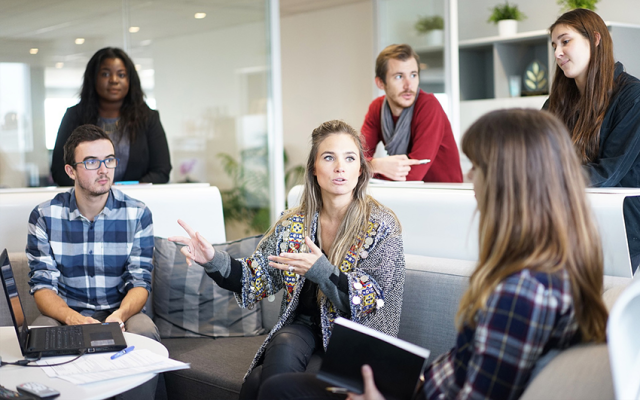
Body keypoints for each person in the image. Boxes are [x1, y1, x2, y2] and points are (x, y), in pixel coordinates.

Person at [257, 109, 609, 400]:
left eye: (478, 167)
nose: (470, 177)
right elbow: (472, 367)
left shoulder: (522, 292)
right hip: (422, 387)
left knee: (279, 391)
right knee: (276, 384)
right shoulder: (548, 269)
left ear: (509, 181)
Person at [169, 120, 406, 399]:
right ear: (314, 170)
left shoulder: (381, 224)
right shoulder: (294, 223)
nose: (340, 167)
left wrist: (321, 271)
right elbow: (253, 278)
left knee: (259, 382)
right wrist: (211, 259)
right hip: (303, 329)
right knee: (282, 343)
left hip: (355, 339)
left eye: (350, 158)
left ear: (360, 170)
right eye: (329, 157)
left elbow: (369, 299)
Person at [27, 124, 159, 342]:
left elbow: (140, 282)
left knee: (144, 331)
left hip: (121, 312)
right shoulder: (44, 216)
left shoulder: (138, 214)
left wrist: (119, 316)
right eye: (91, 162)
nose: (103, 170)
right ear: (71, 171)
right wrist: (73, 318)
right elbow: (42, 286)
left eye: (109, 160)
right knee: (39, 333)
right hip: (66, 313)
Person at [545, 8, 640, 274]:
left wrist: (543, 176)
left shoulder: (633, 96)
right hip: (568, 222)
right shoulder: (556, 103)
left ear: (595, 39)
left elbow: (608, 173)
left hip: (621, 229)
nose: (557, 53)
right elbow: (534, 155)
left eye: (565, 41)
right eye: (554, 45)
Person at [51, 47, 171, 186]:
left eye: (121, 75)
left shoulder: (148, 118)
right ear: (93, 78)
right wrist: (97, 189)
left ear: (130, 80)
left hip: (136, 202)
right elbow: (60, 172)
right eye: (105, 74)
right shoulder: (74, 117)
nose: (114, 80)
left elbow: (161, 171)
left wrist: (126, 191)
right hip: (87, 203)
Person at [360, 44, 462, 183]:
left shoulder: (428, 106)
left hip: (443, 196)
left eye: (413, 75)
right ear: (380, 83)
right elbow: (355, 159)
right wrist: (376, 165)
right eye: (399, 76)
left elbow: (413, 174)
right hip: (406, 194)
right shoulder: (376, 108)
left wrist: (368, 168)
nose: (409, 85)